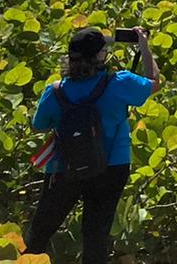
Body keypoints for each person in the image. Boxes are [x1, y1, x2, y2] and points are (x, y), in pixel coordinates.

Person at [26, 27, 161, 264]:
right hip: (111, 167)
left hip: (64, 168)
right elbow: (155, 82)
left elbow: (39, 125)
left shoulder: (55, 91)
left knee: (40, 233)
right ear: (100, 56)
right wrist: (143, 46)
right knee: (95, 238)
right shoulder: (120, 82)